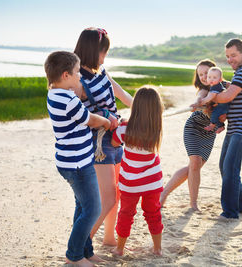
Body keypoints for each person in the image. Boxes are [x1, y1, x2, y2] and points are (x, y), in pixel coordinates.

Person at [44, 51, 111, 266]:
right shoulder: (68, 99)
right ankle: (74, 256)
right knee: (93, 209)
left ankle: (86, 251)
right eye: (76, 73)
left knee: (82, 207)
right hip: (78, 164)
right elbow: (89, 119)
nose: (80, 77)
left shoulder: (54, 93)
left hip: (70, 161)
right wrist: (106, 121)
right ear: (65, 75)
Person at [73, 27, 133, 246]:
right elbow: (79, 115)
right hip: (97, 142)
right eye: (104, 51)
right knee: (106, 198)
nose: (105, 55)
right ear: (92, 49)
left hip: (116, 137)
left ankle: (108, 238)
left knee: (115, 193)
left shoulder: (102, 71)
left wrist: (144, 111)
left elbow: (123, 95)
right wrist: (104, 116)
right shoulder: (78, 80)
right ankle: (79, 246)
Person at [159, 59, 227, 211]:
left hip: (209, 132)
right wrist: (198, 103)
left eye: (206, 73)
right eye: (200, 74)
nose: (204, 77)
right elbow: (200, 98)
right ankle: (193, 204)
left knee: (193, 167)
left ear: (214, 72)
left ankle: (163, 194)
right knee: (195, 163)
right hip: (194, 128)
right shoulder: (204, 91)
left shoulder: (224, 88)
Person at [111, 87, 164, 256]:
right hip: (152, 181)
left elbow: (113, 143)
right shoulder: (156, 129)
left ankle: (119, 249)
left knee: (126, 214)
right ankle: (157, 249)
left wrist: (121, 123)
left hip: (130, 182)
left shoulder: (124, 128)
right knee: (153, 213)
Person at [212, 38, 242, 219]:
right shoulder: (241, 71)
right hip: (236, 125)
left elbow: (227, 97)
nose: (230, 59)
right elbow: (233, 98)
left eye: (233, 55)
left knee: (231, 167)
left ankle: (230, 212)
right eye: (227, 56)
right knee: (225, 166)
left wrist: (209, 99)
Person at [199, 67, 229, 132]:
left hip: (224, 105)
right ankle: (212, 125)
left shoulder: (216, 87)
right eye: (209, 77)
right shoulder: (215, 85)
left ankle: (221, 126)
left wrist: (202, 101)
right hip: (221, 104)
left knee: (214, 115)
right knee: (213, 113)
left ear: (220, 79)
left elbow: (210, 97)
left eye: (214, 77)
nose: (211, 79)